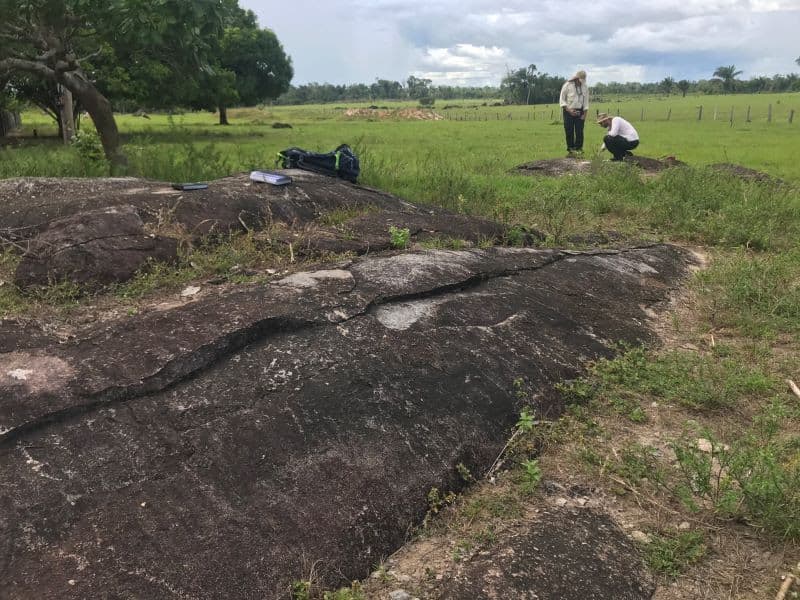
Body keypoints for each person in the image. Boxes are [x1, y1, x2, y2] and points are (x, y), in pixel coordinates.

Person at [559, 70, 588, 156]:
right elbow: (562, 99)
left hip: (580, 111)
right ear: (576, 78)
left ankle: (579, 149)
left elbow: (586, 101)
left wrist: (585, 114)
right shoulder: (567, 85)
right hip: (568, 110)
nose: (580, 83)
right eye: (579, 81)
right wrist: (569, 110)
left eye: (582, 81)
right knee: (569, 130)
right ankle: (571, 149)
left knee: (579, 131)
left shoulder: (585, 87)